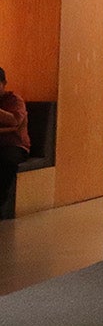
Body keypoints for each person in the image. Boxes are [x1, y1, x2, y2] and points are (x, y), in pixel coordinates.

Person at [0, 68, 31, 221]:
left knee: (5, 161)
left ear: (4, 84)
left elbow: (15, 120)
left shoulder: (14, 100)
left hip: (15, 146)